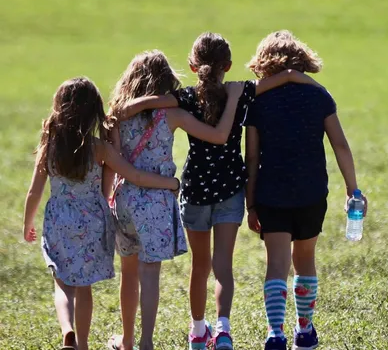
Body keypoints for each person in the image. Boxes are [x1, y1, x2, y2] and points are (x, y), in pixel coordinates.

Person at [110, 32, 324, 350]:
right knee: (223, 264)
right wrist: (307, 83)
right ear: (228, 65)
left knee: (200, 266)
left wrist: (125, 108)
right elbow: (285, 78)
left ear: (193, 66)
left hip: (195, 190)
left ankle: (198, 331)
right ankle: (223, 329)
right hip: (230, 190)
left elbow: (154, 101)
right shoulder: (240, 92)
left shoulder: (185, 98)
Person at [105, 50, 253, 350]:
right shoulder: (172, 115)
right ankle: (147, 341)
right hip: (157, 203)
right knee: (149, 274)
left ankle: (128, 341)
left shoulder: (116, 117)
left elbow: (114, 161)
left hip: (124, 201)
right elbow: (216, 136)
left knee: (128, 274)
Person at [22, 77, 180, 350]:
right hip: (93, 220)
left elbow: (34, 191)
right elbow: (134, 176)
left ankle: (67, 332)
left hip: (59, 219)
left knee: (62, 284)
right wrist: (171, 183)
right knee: (84, 288)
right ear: (94, 111)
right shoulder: (100, 149)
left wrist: (28, 224)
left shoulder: (50, 145)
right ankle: (83, 344)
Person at [244, 30, 368, 350]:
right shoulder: (319, 96)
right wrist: (352, 189)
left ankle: (275, 332)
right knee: (305, 259)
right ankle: (304, 329)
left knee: (276, 264)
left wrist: (251, 202)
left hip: (271, 192)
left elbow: (253, 156)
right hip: (312, 192)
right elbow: (339, 144)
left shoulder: (258, 100)